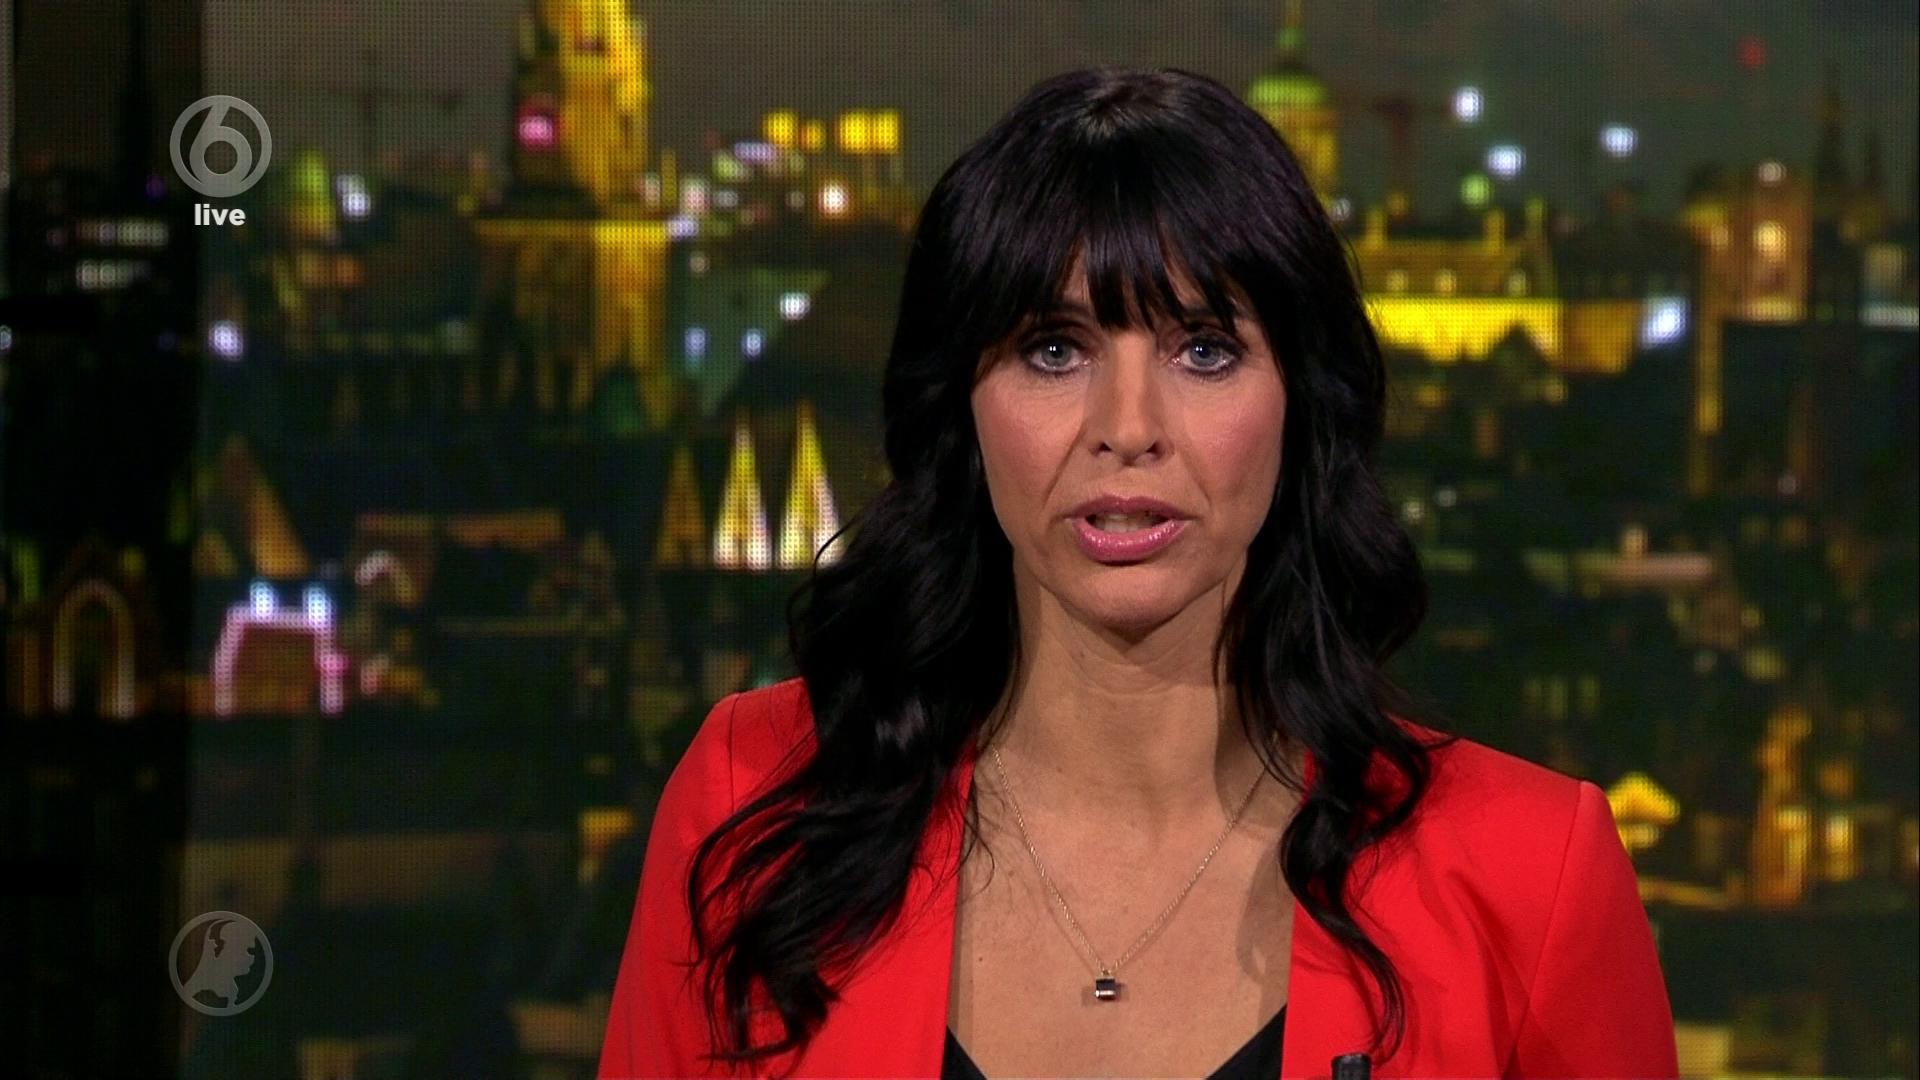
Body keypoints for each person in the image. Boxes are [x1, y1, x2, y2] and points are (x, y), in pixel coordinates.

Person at [598, 66, 1678, 1079]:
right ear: (961, 409)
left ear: (1301, 405)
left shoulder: (1533, 880)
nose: (1127, 427)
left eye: (1204, 350)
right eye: (1054, 350)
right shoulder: (755, 805)